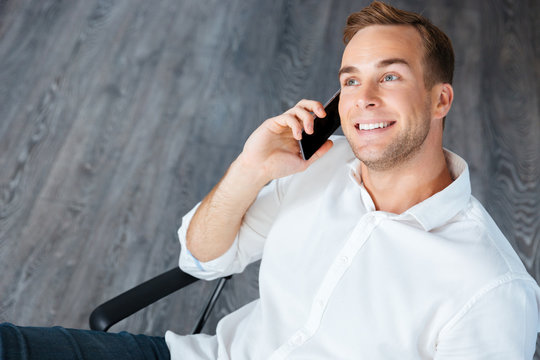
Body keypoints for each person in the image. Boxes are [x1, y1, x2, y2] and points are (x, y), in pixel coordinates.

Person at [1, 1, 539, 359]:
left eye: (390, 76)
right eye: (350, 81)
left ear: (440, 98)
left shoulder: (491, 292)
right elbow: (200, 258)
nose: (363, 99)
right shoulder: (320, 165)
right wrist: (250, 168)